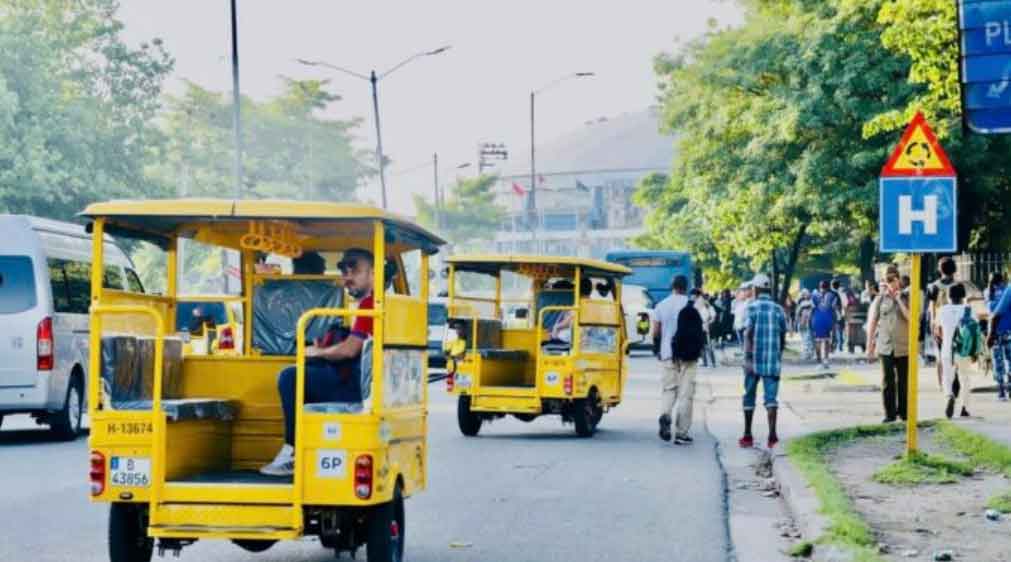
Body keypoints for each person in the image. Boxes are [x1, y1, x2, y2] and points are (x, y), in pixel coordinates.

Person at [261, 248, 376, 476]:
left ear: (373, 273)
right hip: (357, 379)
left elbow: (349, 350)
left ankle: (293, 449)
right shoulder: (363, 305)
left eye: (355, 270)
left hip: (356, 388)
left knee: (290, 377)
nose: (347, 277)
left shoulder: (371, 305)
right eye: (344, 270)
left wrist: (316, 352)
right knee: (309, 370)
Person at [739, 274, 787, 449]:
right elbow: (783, 335)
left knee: (749, 397)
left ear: (756, 289)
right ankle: (772, 437)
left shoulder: (751, 308)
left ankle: (747, 435)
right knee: (771, 400)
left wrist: (748, 356)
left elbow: (747, 333)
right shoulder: (778, 310)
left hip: (753, 360)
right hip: (772, 361)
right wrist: (778, 353)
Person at [653, 275, 695, 445]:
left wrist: (657, 349)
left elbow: (656, 332)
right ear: (686, 287)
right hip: (688, 356)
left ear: (672, 286)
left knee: (669, 390)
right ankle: (681, 432)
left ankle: (665, 415)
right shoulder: (692, 304)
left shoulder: (661, 305)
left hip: (668, 353)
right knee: (686, 394)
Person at [866, 270, 910, 423]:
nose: (889, 283)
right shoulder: (879, 299)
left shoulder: (907, 297)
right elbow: (872, 323)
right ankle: (889, 414)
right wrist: (869, 346)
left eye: (892, 279)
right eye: (887, 280)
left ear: (898, 280)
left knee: (903, 381)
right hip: (885, 345)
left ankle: (904, 413)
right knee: (887, 381)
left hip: (904, 346)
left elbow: (912, 318)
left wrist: (898, 300)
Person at [936, 283, 979, 419]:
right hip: (964, 351)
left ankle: (949, 395)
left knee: (947, 377)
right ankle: (964, 408)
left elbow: (938, 331)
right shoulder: (969, 310)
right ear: (963, 296)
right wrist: (974, 352)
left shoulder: (942, 310)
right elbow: (975, 332)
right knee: (965, 378)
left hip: (947, 348)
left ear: (949, 296)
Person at [928, 257, 959, 388]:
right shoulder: (958, 285)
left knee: (941, 354)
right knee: (956, 352)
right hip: (955, 323)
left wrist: (933, 324)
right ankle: (954, 379)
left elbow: (932, 307)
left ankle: (942, 383)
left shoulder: (934, 286)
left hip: (940, 324)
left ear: (940, 270)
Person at [989, 271, 1011, 401]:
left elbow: (991, 312)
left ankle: (1001, 390)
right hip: (1009, 330)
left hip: (995, 331)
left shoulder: (989, 293)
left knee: (998, 361)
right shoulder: (1007, 291)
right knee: (1010, 359)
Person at [550, 278, 592, 342]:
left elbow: (566, 323)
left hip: (578, 335)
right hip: (585, 333)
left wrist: (556, 327)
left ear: (577, 289)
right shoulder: (592, 303)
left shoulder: (579, 304)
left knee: (556, 334)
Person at [811, 280, 837, 370]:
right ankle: (826, 360)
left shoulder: (814, 295)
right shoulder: (832, 296)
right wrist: (835, 321)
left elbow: (812, 309)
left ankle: (819, 362)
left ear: (819, 286)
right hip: (828, 319)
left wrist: (810, 321)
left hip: (817, 319)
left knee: (817, 341)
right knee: (826, 340)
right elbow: (834, 309)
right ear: (828, 287)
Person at [691, 288, 717, 368]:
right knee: (702, 346)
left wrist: (708, 323)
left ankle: (711, 362)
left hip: (705, 326)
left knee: (707, 346)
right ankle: (707, 362)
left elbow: (712, 315)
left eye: (692, 295)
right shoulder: (698, 303)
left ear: (695, 295)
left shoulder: (704, 303)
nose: (691, 297)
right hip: (701, 326)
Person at [795, 289, 815, 360]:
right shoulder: (801, 302)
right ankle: (808, 353)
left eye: (806, 294)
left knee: (808, 339)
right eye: (804, 294)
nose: (805, 295)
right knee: (806, 339)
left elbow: (798, 313)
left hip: (808, 323)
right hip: (803, 323)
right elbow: (797, 313)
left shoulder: (810, 303)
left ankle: (809, 353)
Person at [831, 279, 847, 353]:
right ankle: (839, 345)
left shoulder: (830, 293)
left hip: (832, 313)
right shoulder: (842, 293)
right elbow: (845, 304)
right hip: (840, 313)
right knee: (840, 329)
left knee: (833, 329)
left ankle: (834, 345)